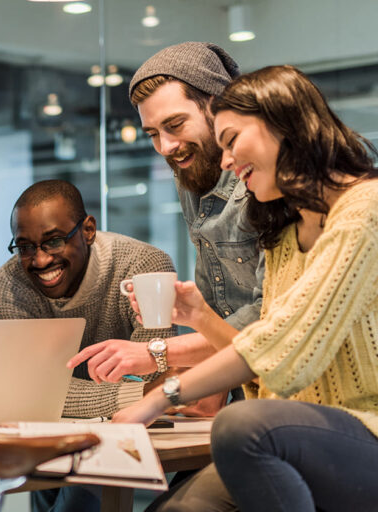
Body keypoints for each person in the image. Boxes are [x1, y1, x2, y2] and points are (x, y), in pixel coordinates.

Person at [74, 65, 378, 512]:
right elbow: (258, 352)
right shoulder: (285, 232)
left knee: (241, 426)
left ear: (283, 124)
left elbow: (285, 346)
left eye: (232, 139)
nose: (225, 160)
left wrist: (156, 399)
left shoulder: (367, 210)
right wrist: (200, 316)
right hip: (306, 445)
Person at [0, 178, 183, 512]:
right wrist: (139, 394)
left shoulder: (144, 266)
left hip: (128, 433)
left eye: (54, 240)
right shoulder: (7, 285)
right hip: (46, 433)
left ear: (88, 229)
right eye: (25, 247)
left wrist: (149, 394)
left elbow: (158, 371)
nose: (40, 259)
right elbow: (37, 395)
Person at [75, 42, 262, 397]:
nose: (165, 147)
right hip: (248, 390)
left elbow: (273, 323)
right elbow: (218, 313)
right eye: (153, 134)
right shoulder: (190, 176)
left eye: (175, 125)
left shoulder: (263, 186)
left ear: (219, 105)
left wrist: (155, 354)